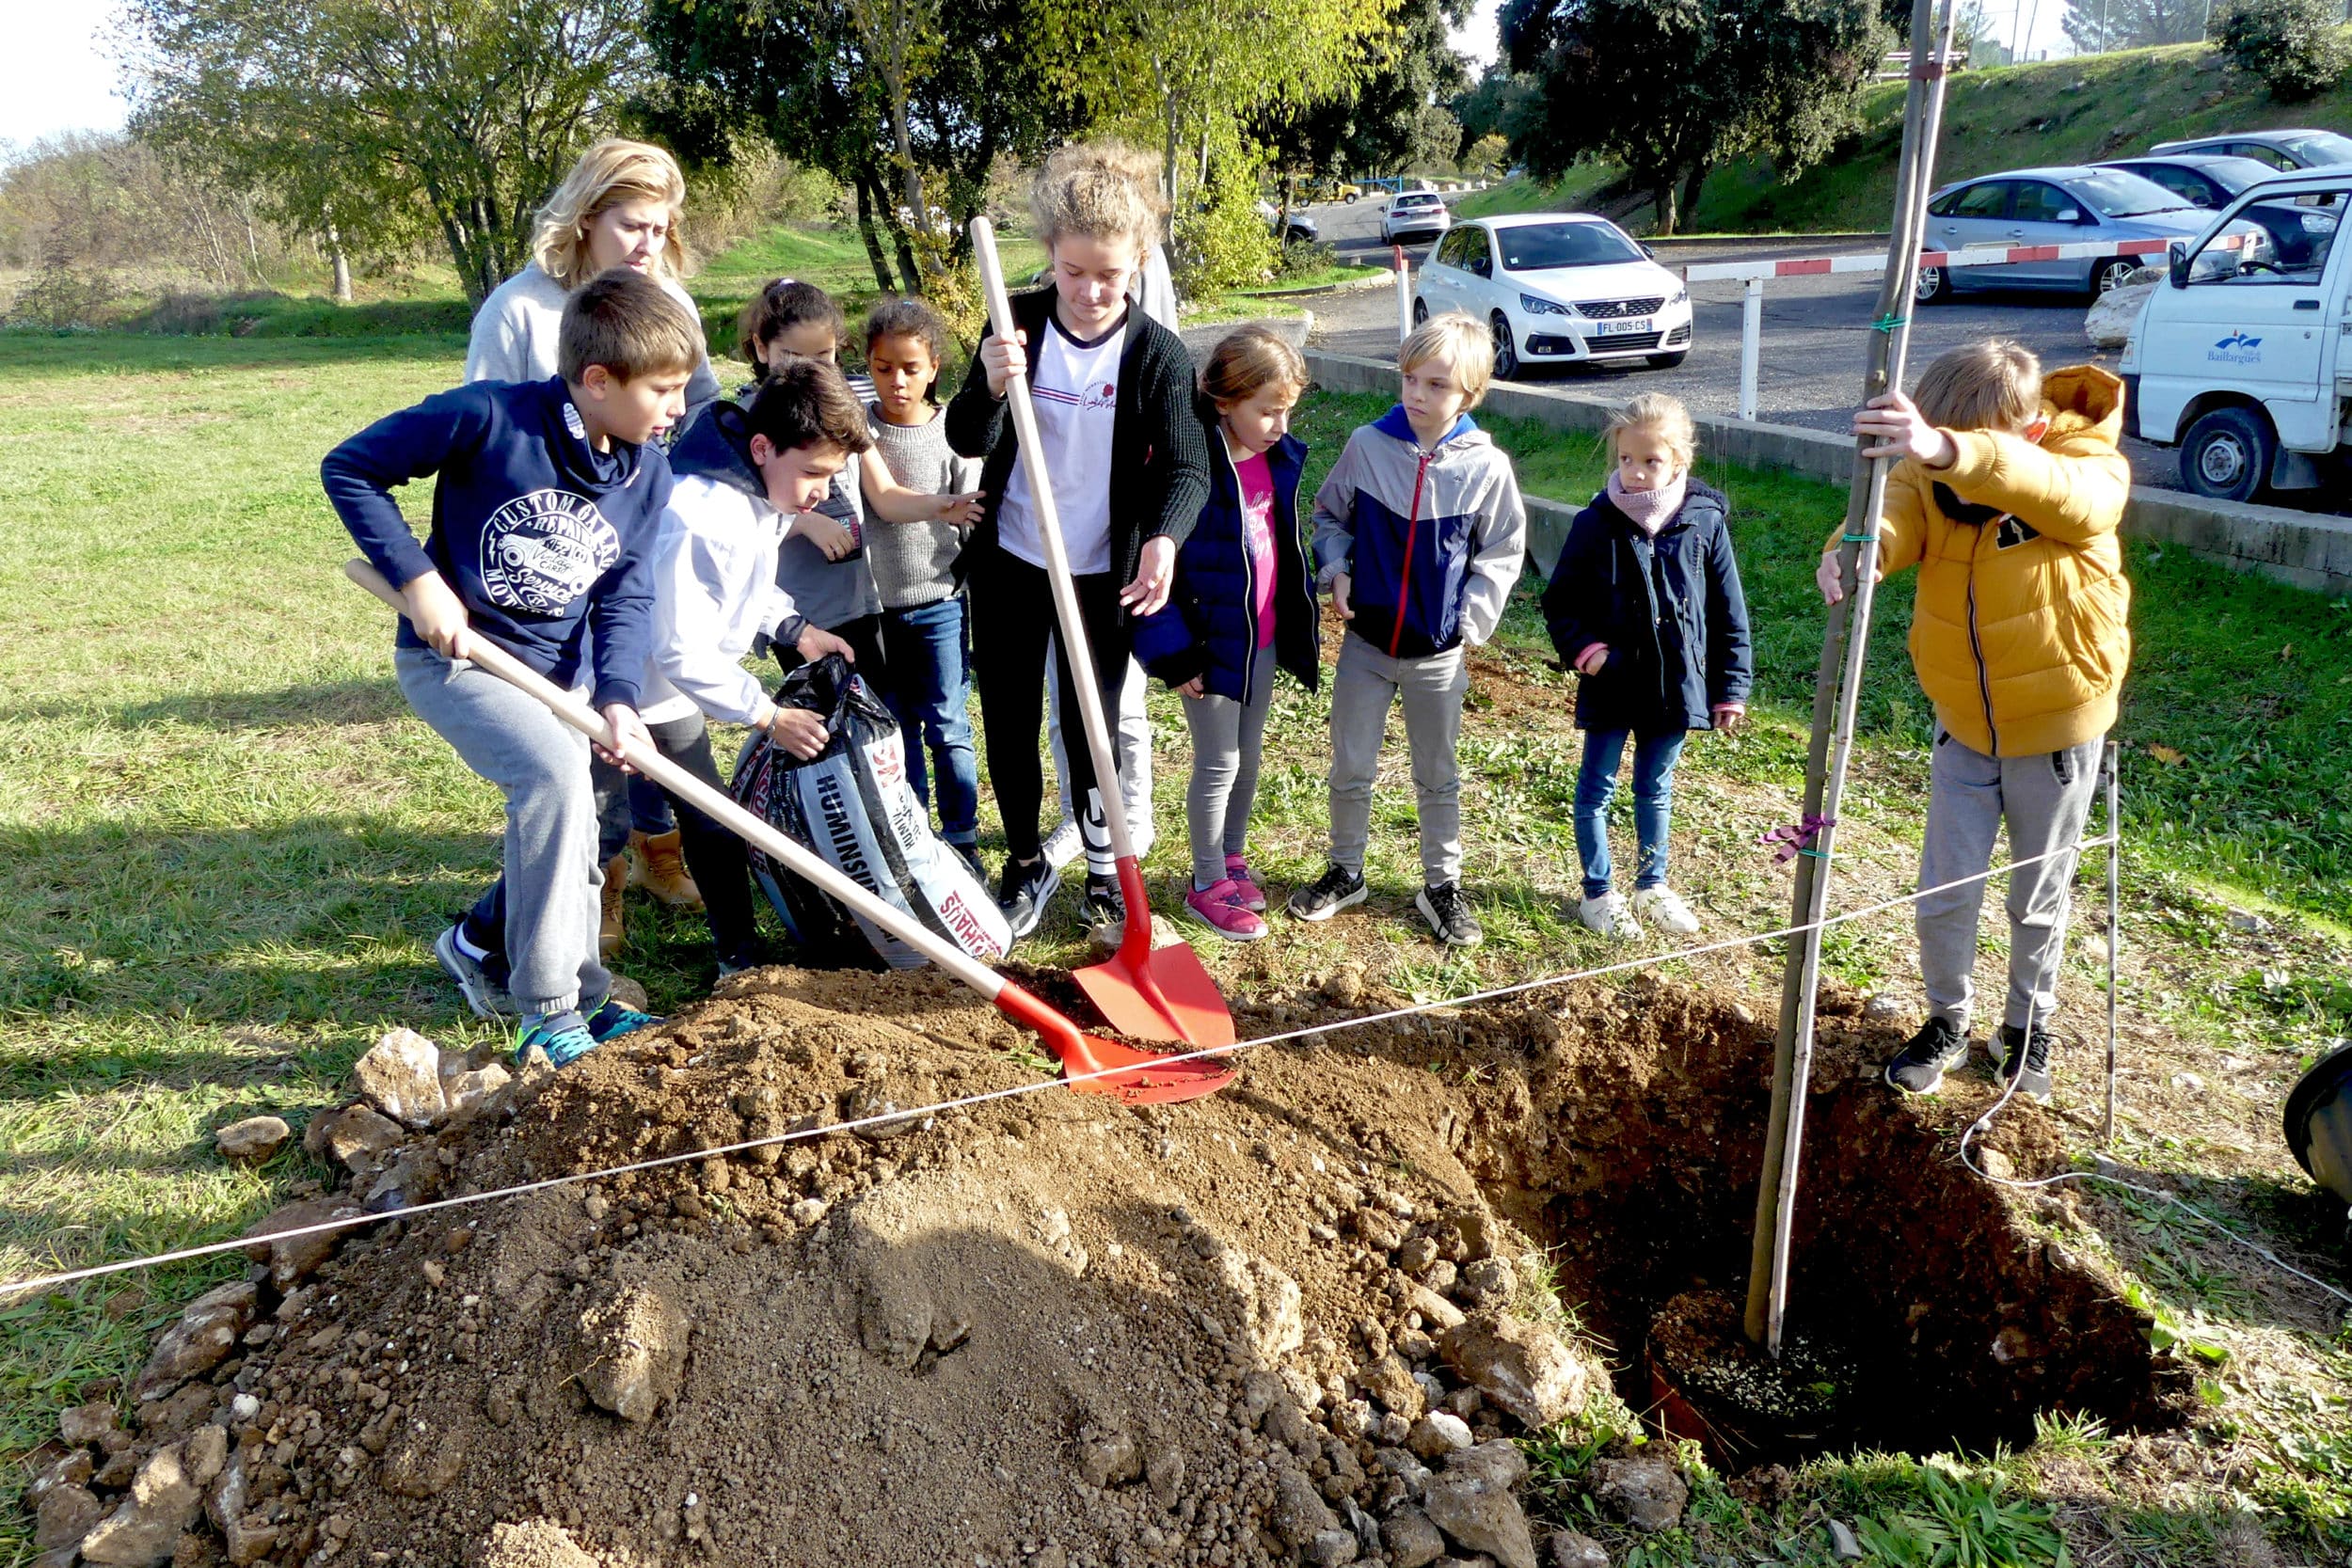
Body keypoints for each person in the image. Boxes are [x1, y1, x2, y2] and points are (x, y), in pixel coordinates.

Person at [324, 269, 694, 1066]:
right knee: (554, 779)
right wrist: (421, 582)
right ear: (598, 381)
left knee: (592, 809)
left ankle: (526, 965)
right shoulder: (489, 418)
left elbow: (627, 596)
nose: (678, 407)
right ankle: (550, 1009)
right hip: (455, 660)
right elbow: (351, 468)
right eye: (664, 389)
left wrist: (622, 699)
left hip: (560, 680)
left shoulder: (645, 470)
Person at [1824, 341, 2131, 1104]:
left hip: (2056, 730)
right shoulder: (1926, 479)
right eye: (1933, 444)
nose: (1938, 467)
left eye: (1959, 447)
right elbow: (1890, 517)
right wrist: (1854, 552)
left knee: (2037, 895)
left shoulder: (2086, 471)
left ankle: (2025, 1029)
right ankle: (1946, 1022)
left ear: (2023, 433)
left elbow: (2066, 495)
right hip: (1962, 723)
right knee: (1947, 889)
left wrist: (1950, 447)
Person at [948, 140, 1210, 942]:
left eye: (1111, 274)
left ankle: (1105, 865)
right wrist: (992, 382)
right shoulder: (1015, 323)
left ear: (1137, 263)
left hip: (1101, 574)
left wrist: (1163, 542)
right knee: (1011, 717)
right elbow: (963, 432)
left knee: (1090, 723)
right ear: (1051, 260)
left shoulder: (1157, 354)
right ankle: (1024, 858)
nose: (1093, 291)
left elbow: (1188, 469)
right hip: (1013, 563)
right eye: (1074, 272)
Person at [465, 137, 723, 947]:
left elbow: (703, 416)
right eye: (631, 225)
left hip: (642, 543)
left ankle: (658, 849)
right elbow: (485, 439)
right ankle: (597, 881)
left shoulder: (670, 302)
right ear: (584, 219)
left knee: (651, 699)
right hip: (551, 559)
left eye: (660, 228)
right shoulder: (520, 311)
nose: (648, 244)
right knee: (581, 736)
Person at [1288, 309, 1525, 949]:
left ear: (1469, 395)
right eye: (1411, 380)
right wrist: (1337, 568)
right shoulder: (1367, 445)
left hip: (1438, 658)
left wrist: (1467, 623)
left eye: (1437, 385)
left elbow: (1503, 549)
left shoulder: (1487, 466)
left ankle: (1441, 885)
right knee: (1351, 763)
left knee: (1438, 772)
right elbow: (1329, 513)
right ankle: (1345, 869)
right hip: (1365, 648)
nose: (1418, 395)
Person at [640, 359, 865, 974]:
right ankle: (483, 938)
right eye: (814, 473)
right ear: (762, 446)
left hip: (667, 688)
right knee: (594, 828)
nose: (822, 492)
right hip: (626, 688)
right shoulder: (701, 518)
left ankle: (737, 956)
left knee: (709, 822)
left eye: (833, 475)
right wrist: (768, 715)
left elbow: (745, 583)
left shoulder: (762, 489)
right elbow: (678, 647)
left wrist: (796, 628)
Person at [1541, 393, 1752, 941]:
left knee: (1655, 788)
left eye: (1651, 461)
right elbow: (1560, 602)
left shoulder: (1705, 522)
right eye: (1626, 459)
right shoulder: (1596, 523)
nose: (1635, 472)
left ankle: (1651, 886)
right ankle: (1598, 894)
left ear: (1680, 461)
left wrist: (1730, 688)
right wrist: (1591, 655)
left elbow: (1729, 611)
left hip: (1676, 688)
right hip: (1612, 685)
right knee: (1596, 789)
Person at [1133, 327, 1317, 942]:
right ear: (1223, 400)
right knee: (1219, 760)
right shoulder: (1188, 468)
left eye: (1287, 409)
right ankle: (1206, 881)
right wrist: (1173, 651)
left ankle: (1232, 858)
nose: (1279, 423)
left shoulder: (1274, 459)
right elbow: (1148, 569)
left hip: (1257, 639)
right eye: (1267, 409)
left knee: (1250, 754)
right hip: (1207, 648)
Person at [733, 279, 979, 683]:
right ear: (762, 348)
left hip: (859, 602)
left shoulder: (843, 407)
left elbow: (884, 497)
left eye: (823, 356)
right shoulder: (746, 421)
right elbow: (738, 521)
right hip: (798, 612)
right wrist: (806, 522)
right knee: (832, 728)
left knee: (877, 721)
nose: (808, 369)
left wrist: (940, 505)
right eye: (792, 356)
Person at [860, 297, 986, 881]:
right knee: (897, 727)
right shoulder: (858, 433)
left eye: (910, 368)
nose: (898, 381)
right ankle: (917, 841)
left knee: (947, 722)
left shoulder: (954, 433)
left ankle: (962, 838)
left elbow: (973, 516)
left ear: (934, 366)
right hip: (875, 608)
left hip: (938, 602)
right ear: (868, 364)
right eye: (884, 368)